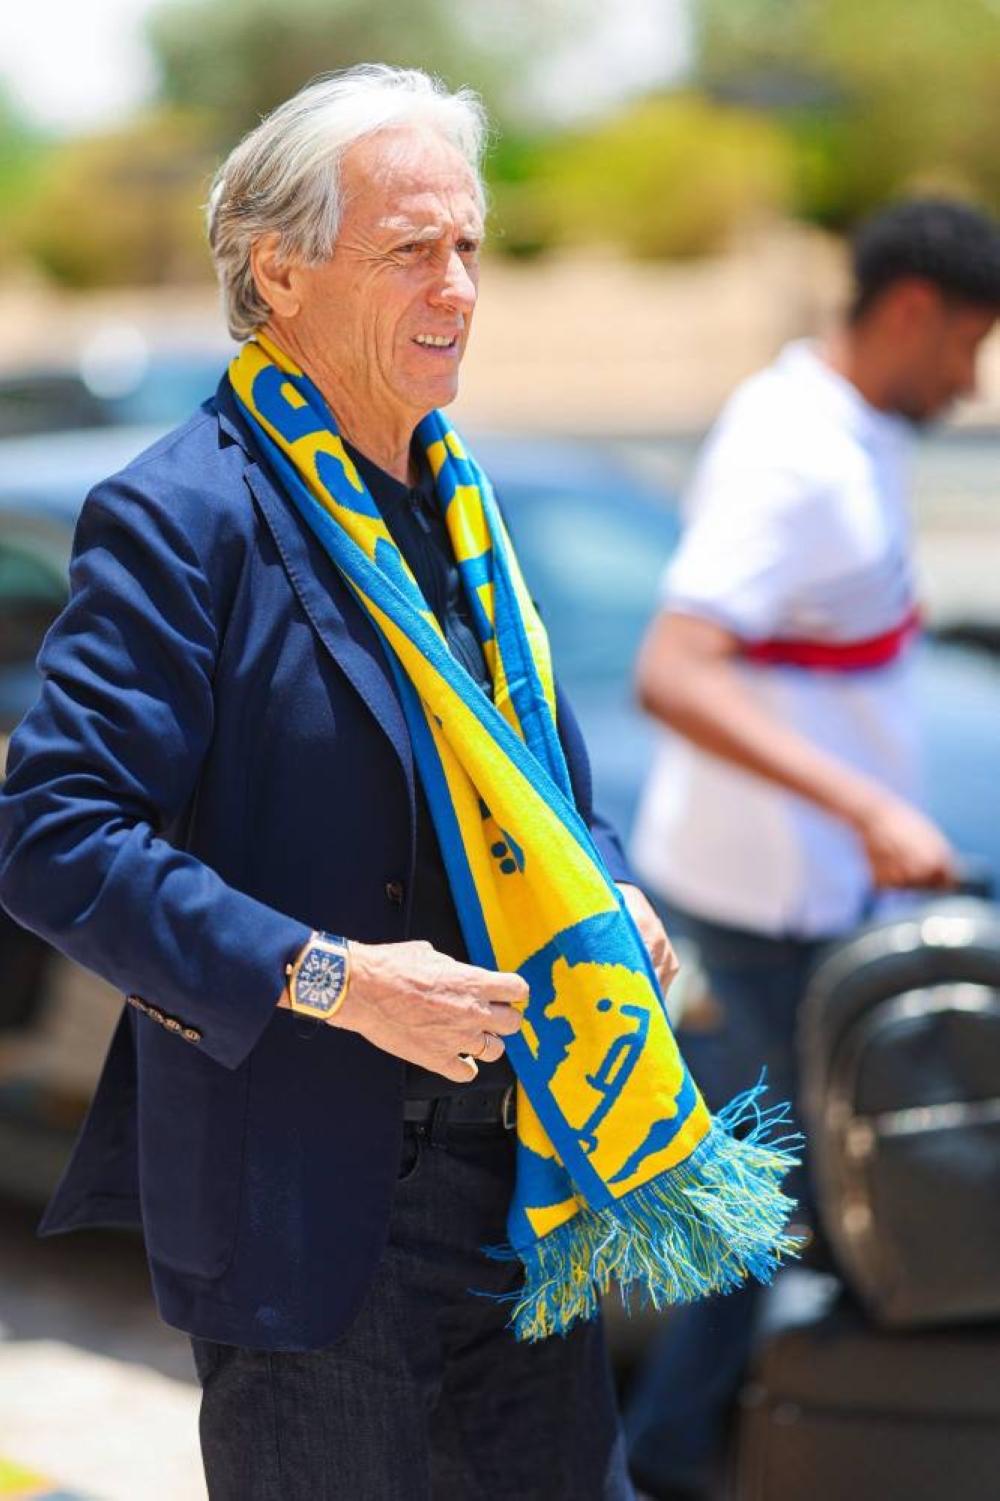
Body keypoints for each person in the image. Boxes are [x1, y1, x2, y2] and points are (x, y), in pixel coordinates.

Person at [0, 66, 798, 1501]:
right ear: (279, 273)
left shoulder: (462, 511)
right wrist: (334, 978)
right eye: (412, 248)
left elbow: (546, 791)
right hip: (311, 1212)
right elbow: (56, 837)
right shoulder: (183, 515)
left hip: (531, 1179)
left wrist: (610, 884)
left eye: (471, 246)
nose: (460, 287)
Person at [624, 197, 1000, 1500]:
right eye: (970, 344)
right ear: (912, 311)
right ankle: (663, 1464)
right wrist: (868, 807)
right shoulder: (797, 454)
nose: (973, 380)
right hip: (758, 921)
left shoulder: (848, 428)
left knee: (793, 1213)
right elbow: (673, 670)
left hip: (812, 908)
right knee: (769, 1220)